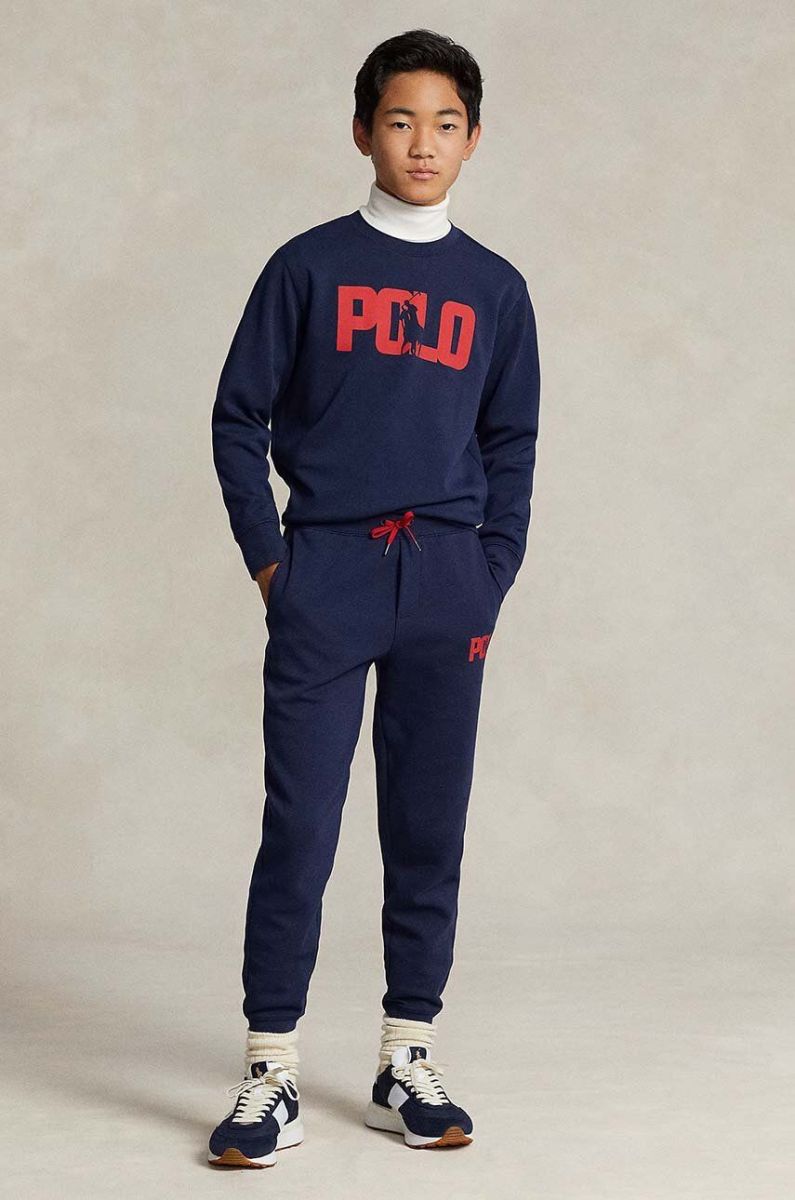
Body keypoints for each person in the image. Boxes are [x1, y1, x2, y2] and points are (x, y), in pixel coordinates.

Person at [207, 27, 542, 1168]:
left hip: (448, 582)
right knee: (300, 823)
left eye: (445, 124)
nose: (422, 144)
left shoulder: (495, 289)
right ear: (362, 132)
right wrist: (273, 563)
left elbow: (511, 439)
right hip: (329, 574)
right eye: (400, 121)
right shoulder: (306, 268)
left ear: (474, 139)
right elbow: (236, 417)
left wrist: (491, 569)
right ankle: (271, 1069)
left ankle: (408, 1054)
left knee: (427, 824)